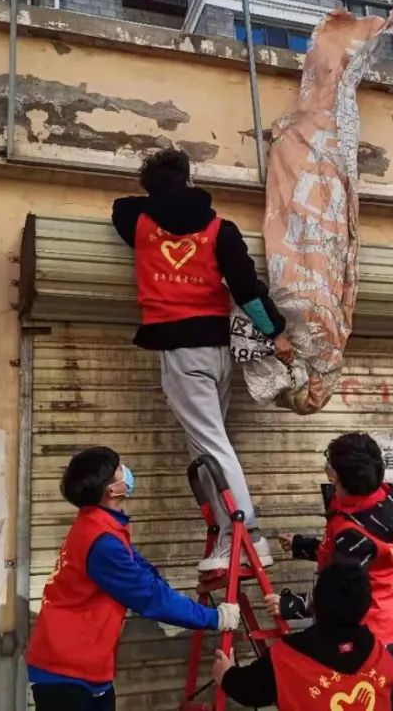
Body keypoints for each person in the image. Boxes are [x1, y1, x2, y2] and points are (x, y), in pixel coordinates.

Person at [112, 148, 292, 571]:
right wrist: (275, 331)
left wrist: (159, 195)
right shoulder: (220, 229)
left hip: (180, 349)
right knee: (205, 446)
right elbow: (247, 290)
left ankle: (249, 537)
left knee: (211, 444)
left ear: (152, 187)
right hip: (218, 351)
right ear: (189, 180)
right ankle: (229, 538)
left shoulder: (137, 220)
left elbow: (121, 206)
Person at [26, 446, 241, 710]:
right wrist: (213, 617)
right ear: (111, 489)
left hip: (85, 666)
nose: (125, 470)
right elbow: (149, 597)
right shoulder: (102, 541)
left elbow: (140, 569)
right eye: (119, 468)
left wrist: (163, 586)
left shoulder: (102, 525)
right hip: (67, 670)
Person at [268, 433, 393, 702]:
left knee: (366, 702)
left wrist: (296, 605)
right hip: (385, 625)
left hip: (372, 634)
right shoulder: (376, 502)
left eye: (330, 466)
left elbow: (344, 590)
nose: (328, 471)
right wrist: (302, 545)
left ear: (339, 477)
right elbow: (345, 553)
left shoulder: (355, 531)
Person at [214, 563, 393, 710]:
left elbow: (250, 689)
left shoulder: (286, 658)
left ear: (315, 602)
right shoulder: (383, 661)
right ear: (366, 604)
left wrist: (227, 675)